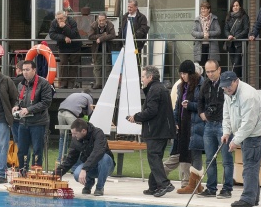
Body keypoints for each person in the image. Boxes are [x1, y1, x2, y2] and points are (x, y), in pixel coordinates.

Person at [126, 66, 176, 198]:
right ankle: (153, 186)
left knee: (154, 157)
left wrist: (136, 117)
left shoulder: (154, 90)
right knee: (156, 158)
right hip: (162, 130)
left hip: (156, 131)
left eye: (143, 76)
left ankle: (165, 184)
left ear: (150, 77)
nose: (141, 79)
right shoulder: (159, 88)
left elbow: (151, 111)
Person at [221, 71, 261, 207]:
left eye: (229, 86)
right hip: (243, 132)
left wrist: (235, 140)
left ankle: (248, 198)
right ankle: (254, 198)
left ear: (236, 81)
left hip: (254, 133)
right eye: (224, 87)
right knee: (250, 165)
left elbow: (248, 123)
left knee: (250, 165)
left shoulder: (248, 96)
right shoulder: (227, 93)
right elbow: (227, 114)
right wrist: (226, 131)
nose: (227, 89)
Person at [197, 59, 234, 198]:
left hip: (223, 125)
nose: (210, 74)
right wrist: (202, 114)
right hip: (209, 124)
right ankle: (211, 188)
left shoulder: (226, 83)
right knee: (209, 159)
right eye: (207, 72)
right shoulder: (206, 84)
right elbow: (200, 100)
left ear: (219, 70)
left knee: (226, 159)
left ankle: (227, 188)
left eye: (213, 71)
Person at [56, 118, 115, 196]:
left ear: (83, 131)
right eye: (72, 133)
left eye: (75, 133)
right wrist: (56, 174)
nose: (73, 136)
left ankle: (99, 187)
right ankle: (89, 184)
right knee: (77, 174)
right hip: (90, 167)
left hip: (106, 166)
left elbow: (97, 152)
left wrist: (84, 169)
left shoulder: (98, 133)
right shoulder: (76, 139)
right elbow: (70, 159)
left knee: (105, 158)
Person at [12, 59, 54, 170]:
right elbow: (18, 99)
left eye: (27, 70)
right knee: (22, 150)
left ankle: (36, 175)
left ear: (34, 70)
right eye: (23, 70)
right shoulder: (21, 85)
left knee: (37, 150)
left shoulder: (43, 83)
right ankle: (22, 172)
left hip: (38, 122)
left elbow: (46, 102)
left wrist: (29, 109)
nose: (25, 72)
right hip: (23, 122)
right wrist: (17, 106)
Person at [173, 60, 206, 195]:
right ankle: (195, 185)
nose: (182, 76)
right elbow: (177, 106)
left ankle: (193, 184)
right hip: (184, 124)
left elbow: (203, 104)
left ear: (191, 73)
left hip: (196, 123)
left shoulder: (201, 84)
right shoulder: (182, 87)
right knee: (186, 153)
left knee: (196, 153)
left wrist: (190, 105)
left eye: (185, 73)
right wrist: (176, 120)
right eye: (181, 73)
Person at [57, 88, 94, 162]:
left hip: (60, 112)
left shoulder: (75, 94)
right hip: (70, 114)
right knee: (77, 137)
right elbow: (91, 113)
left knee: (62, 137)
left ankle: (60, 160)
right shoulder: (89, 97)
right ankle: (75, 163)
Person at [49, 10, 81, 89]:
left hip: (75, 46)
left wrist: (64, 27)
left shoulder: (72, 21)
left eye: (61, 18)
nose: (59, 20)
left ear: (65, 17)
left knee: (73, 65)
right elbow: (52, 34)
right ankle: (63, 83)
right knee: (63, 64)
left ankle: (71, 84)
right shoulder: (54, 23)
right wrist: (64, 38)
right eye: (58, 19)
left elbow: (73, 34)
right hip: (62, 46)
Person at [88, 13, 116, 89]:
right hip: (97, 50)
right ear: (97, 20)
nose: (101, 22)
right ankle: (98, 83)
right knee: (97, 67)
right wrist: (102, 35)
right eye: (100, 20)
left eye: (103, 20)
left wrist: (101, 39)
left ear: (106, 19)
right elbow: (90, 36)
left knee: (108, 67)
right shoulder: (93, 25)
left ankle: (107, 84)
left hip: (108, 49)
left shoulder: (110, 24)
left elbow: (113, 35)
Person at [223, 0, 249, 78]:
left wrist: (236, 37)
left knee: (237, 63)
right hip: (231, 44)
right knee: (233, 62)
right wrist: (228, 36)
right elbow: (226, 29)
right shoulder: (229, 17)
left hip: (240, 44)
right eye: (233, 6)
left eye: (237, 5)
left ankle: (236, 80)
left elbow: (246, 30)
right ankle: (237, 79)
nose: (235, 7)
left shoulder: (244, 17)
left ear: (240, 6)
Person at [191, 1, 221, 66]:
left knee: (211, 65)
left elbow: (218, 31)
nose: (203, 10)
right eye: (201, 9)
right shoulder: (197, 19)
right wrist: (202, 34)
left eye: (204, 9)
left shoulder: (214, 19)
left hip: (211, 46)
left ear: (209, 10)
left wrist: (209, 33)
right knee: (201, 66)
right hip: (200, 46)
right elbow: (193, 32)